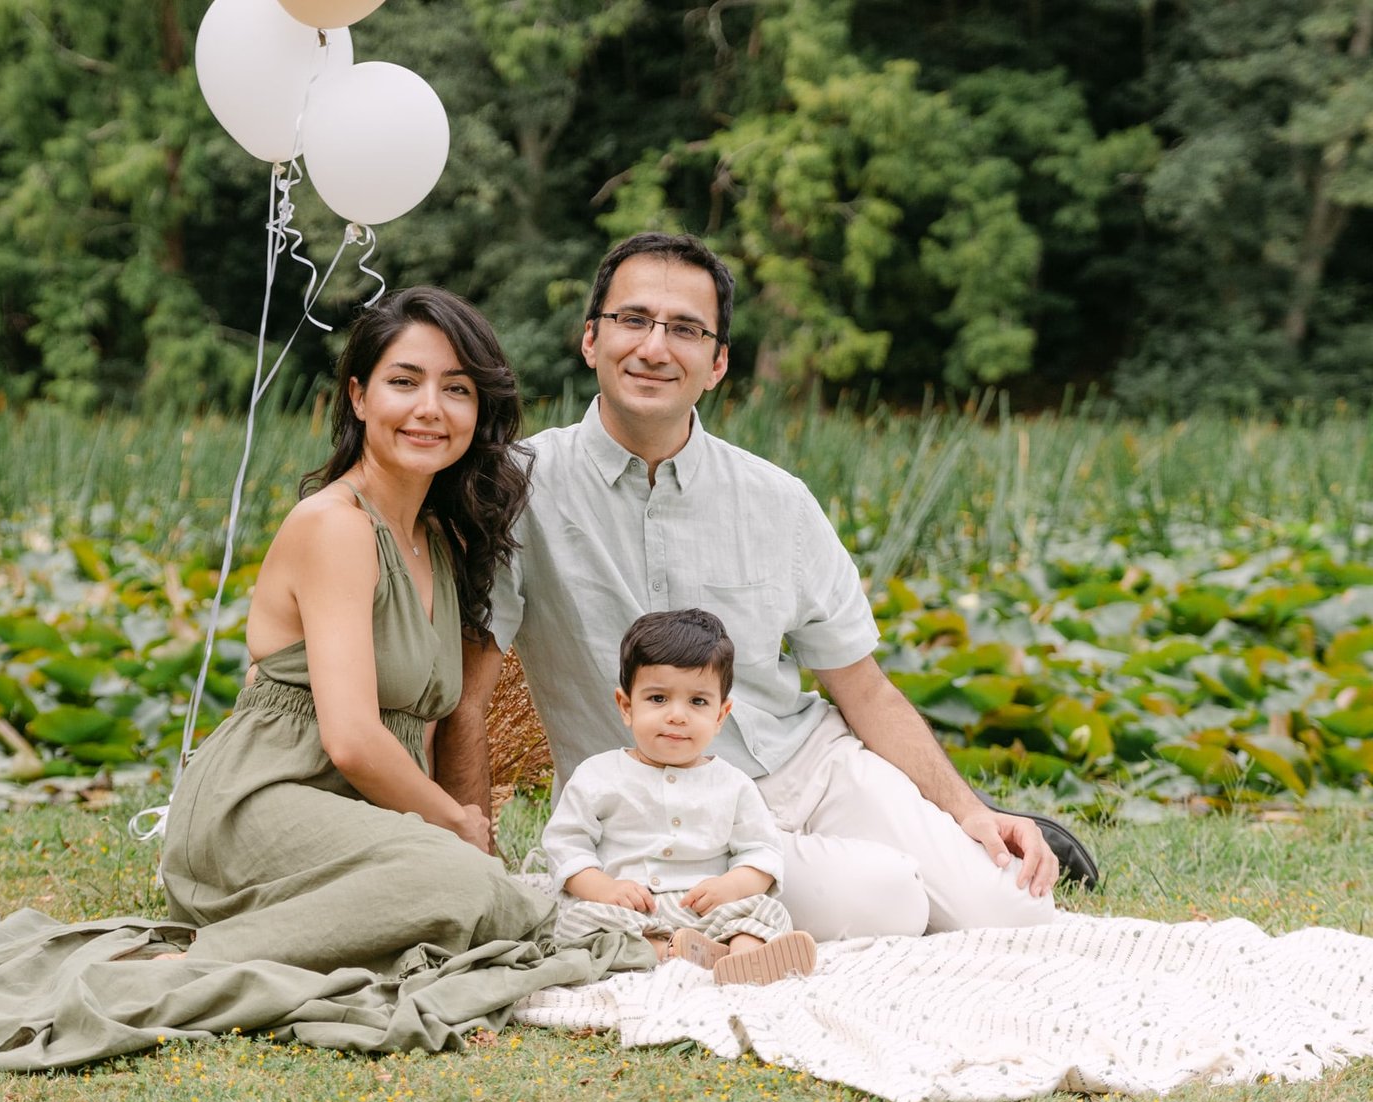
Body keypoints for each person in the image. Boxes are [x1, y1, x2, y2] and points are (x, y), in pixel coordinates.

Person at [436, 233, 1061, 943]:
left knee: (1016, 913)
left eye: (685, 330)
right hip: (655, 809)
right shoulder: (519, 488)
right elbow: (467, 698)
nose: (654, 346)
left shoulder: (778, 498)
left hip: (809, 768)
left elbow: (863, 688)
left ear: (718, 363)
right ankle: (869, 877)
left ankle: (926, 852)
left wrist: (968, 810)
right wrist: (473, 864)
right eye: (632, 320)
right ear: (590, 340)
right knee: (885, 902)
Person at [159, 286, 644, 975]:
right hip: (264, 803)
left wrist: (463, 837)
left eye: (456, 389)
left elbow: (446, 717)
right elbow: (352, 739)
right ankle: (214, 952)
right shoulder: (336, 526)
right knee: (462, 884)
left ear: (479, 412)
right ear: (359, 397)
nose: (429, 409)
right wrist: (453, 823)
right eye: (403, 382)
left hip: (363, 815)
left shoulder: (440, 539)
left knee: (470, 884)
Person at [543, 608, 817, 986]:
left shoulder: (732, 784)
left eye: (698, 702)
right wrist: (606, 889)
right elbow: (566, 847)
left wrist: (730, 887)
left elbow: (762, 853)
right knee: (577, 924)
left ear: (721, 715)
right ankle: (664, 951)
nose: (677, 716)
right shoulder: (599, 775)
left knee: (766, 911)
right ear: (627, 706)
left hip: (704, 911)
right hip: (630, 911)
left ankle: (743, 955)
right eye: (657, 698)